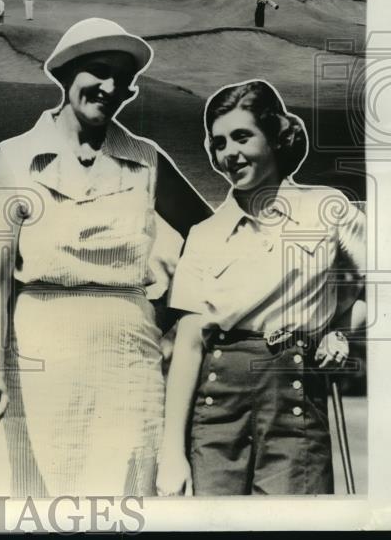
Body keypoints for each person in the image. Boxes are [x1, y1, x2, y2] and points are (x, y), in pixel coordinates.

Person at [0, 17, 212, 496]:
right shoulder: (17, 157)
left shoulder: (145, 160)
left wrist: (173, 309)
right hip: (37, 361)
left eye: (123, 80)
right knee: (32, 501)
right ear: (67, 75)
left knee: (126, 498)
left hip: (129, 364)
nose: (110, 87)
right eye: (98, 71)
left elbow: (210, 233)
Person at [156, 80, 365, 496]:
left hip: (295, 403)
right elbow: (190, 346)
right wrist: (171, 452)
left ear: (276, 138)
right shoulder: (204, 234)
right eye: (218, 143)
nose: (229, 153)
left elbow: (377, 293)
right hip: (215, 410)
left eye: (242, 136)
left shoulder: (330, 209)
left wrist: (341, 332)